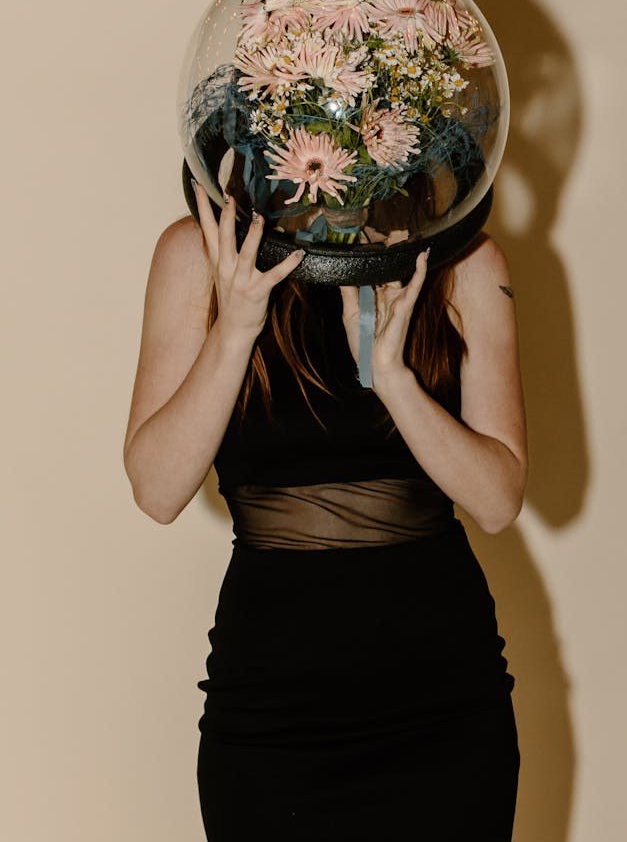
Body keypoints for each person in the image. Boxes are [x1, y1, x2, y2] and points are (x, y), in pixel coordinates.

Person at [123, 179, 528, 841]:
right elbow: (157, 490)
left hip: (441, 706)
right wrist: (235, 330)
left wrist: (394, 380)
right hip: (271, 709)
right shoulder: (198, 252)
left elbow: (497, 499)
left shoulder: (461, 259)